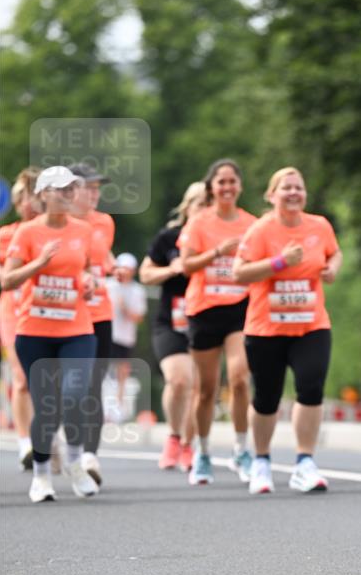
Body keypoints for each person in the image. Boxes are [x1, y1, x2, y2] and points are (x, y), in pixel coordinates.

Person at [233, 166, 342, 494]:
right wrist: (279, 262)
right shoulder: (260, 230)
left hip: (311, 324)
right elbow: (240, 273)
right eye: (286, 188)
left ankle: (305, 462)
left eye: (298, 187)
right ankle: (262, 461)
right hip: (267, 328)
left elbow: (334, 252)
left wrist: (332, 268)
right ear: (271, 195)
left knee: (311, 388)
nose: (294, 193)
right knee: (266, 397)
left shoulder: (319, 226)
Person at [2, 166, 99, 502]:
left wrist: (89, 283)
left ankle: (74, 462)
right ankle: (42, 474)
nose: (68, 194)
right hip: (34, 330)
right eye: (60, 189)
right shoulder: (27, 233)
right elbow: (7, 281)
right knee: (46, 406)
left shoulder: (84, 230)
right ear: (43, 194)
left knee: (74, 395)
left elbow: (87, 269)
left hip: (77, 328)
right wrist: (39, 263)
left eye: (72, 188)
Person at [179, 160, 256, 486]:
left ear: (239, 186)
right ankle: (203, 452)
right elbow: (185, 265)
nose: (226, 187)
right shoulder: (199, 223)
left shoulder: (252, 223)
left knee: (239, 378)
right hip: (205, 309)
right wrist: (216, 253)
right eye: (220, 182)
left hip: (240, 307)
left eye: (232, 181)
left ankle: (241, 449)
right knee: (206, 389)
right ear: (211, 187)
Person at [139, 182, 208, 471]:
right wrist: (172, 269)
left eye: (210, 204)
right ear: (187, 207)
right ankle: (173, 436)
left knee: (197, 386)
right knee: (179, 380)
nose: (204, 210)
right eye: (200, 204)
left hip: (206, 321)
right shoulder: (169, 238)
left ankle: (189, 445)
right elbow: (145, 274)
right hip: (172, 321)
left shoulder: (221, 241)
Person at [69, 163, 114, 485]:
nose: (96, 194)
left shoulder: (105, 222)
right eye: (90, 187)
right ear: (72, 190)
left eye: (99, 188)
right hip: (64, 317)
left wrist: (115, 269)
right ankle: (64, 445)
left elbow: (103, 259)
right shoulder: (58, 224)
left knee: (93, 386)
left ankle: (90, 455)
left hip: (99, 313)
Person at [0, 167, 42, 469]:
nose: (29, 203)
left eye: (35, 195)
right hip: (14, 310)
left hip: (48, 312)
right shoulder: (6, 236)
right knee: (23, 376)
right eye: (24, 197)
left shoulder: (56, 232)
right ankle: (26, 442)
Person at [106, 252, 147, 421]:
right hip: (107, 333)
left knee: (122, 372)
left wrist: (125, 309)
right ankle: (101, 407)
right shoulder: (107, 285)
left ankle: (118, 407)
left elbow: (139, 317)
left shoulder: (137, 290)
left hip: (125, 337)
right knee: (102, 370)